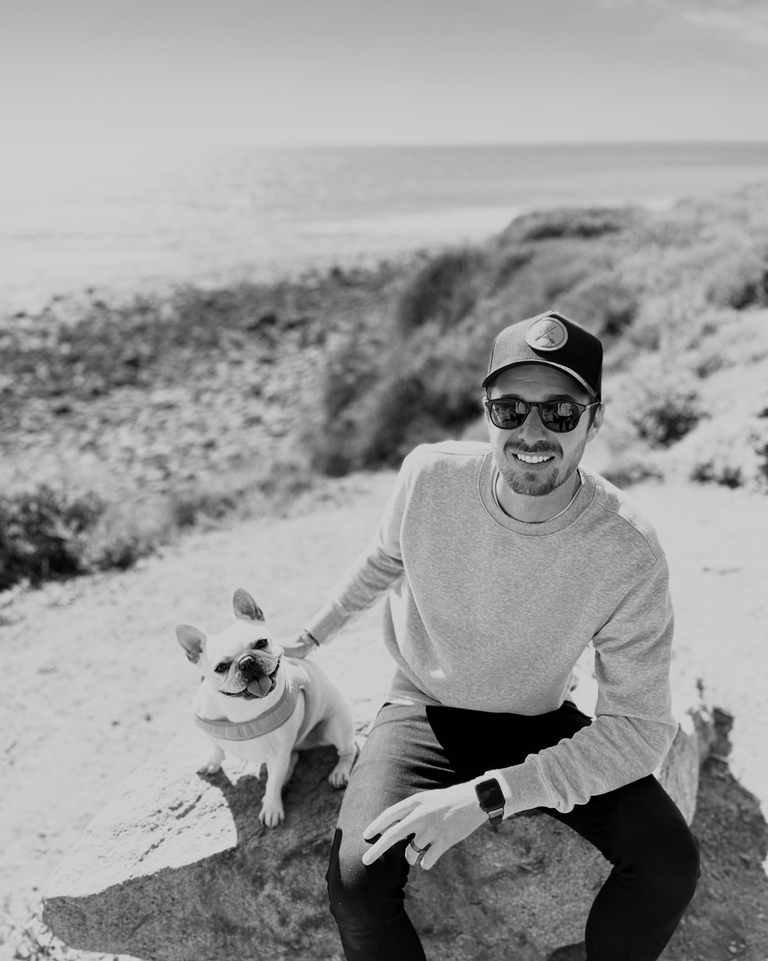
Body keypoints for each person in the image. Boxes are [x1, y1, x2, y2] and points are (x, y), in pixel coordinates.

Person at [282, 310, 700, 961]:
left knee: (670, 866)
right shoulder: (429, 476)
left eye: (560, 412)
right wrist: (311, 633)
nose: (532, 432)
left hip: (538, 718)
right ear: (486, 411)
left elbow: (640, 726)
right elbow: (384, 559)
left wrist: (487, 796)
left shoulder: (628, 548)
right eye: (510, 409)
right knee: (356, 884)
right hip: (424, 709)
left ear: (595, 418)